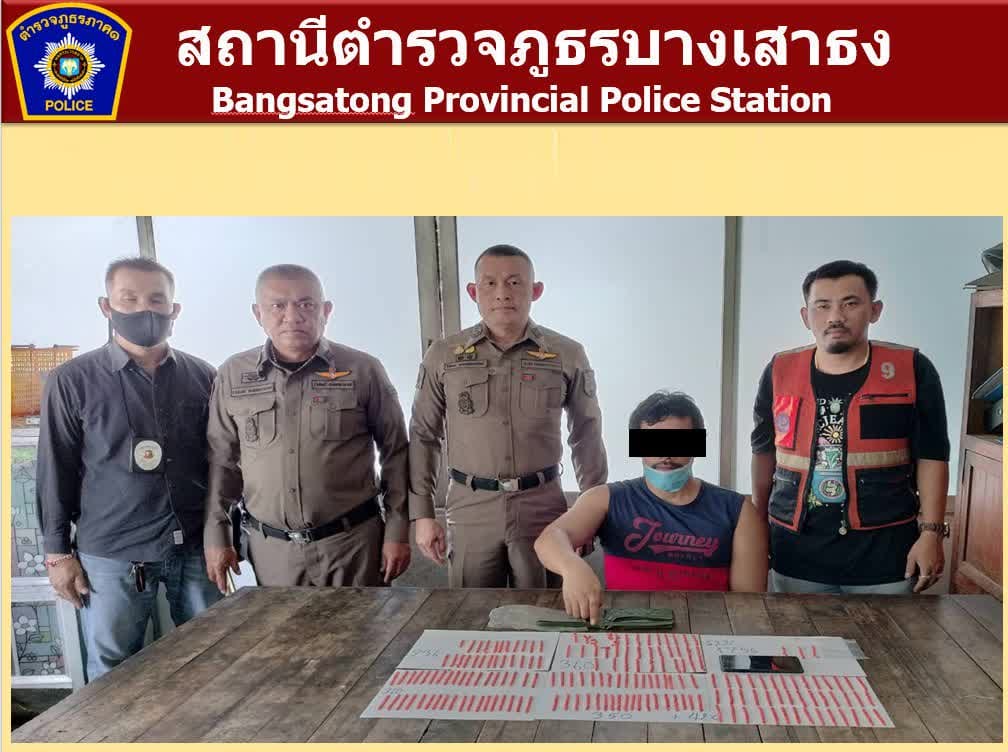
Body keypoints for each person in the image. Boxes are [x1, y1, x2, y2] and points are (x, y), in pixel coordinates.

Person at [37, 257, 220, 681]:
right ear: (106, 306)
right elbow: (55, 469)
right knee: (112, 670)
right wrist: (57, 554)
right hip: (112, 552)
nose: (145, 309)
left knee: (213, 657)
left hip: (195, 545)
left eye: (157, 300)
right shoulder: (72, 380)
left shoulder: (204, 376)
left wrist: (226, 534)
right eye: (129, 299)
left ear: (175, 309)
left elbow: (221, 462)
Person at [409, 244, 607, 587]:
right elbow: (424, 436)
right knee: (470, 611)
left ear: (535, 290)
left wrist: (590, 512)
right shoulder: (443, 355)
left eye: (515, 283)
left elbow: (586, 434)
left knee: (543, 609)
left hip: (542, 507)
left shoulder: (567, 353)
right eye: (490, 283)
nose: (502, 293)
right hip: (470, 508)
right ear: (474, 292)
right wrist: (422, 513)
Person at [203, 264, 410, 589]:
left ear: (325, 311)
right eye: (278, 305)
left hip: (352, 546)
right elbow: (222, 461)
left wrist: (397, 531)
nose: (292, 316)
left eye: (306, 304)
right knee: (280, 625)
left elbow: (396, 453)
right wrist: (217, 535)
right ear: (258, 313)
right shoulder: (233, 375)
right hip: (271, 552)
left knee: (363, 624)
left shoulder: (363, 369)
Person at [751, 260, 950, 594]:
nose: (835, 317)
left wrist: (932, 533)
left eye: (850, 303)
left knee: (889, 632)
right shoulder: (779, 370)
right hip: (796, 552)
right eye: (823, 306)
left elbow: (933, 455)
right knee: (797, 631)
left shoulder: (912, 368)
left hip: (886, 554)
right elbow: (763, 453)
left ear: (875, 310)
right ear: (806, 316)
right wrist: (758, 528)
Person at [535, 391, 768, 623]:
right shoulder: (606, 499)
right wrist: (571, 566)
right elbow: (549, 538)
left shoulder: (738, 511)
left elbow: (747, 606)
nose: (666, 455)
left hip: (707, 630)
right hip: (625, 630)